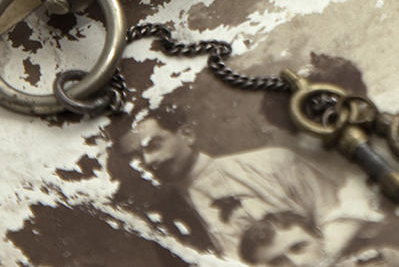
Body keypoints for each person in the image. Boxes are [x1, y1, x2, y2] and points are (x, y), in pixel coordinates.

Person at [120, 109, 381, 263]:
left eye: (153, 145)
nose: (148, 161)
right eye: (135, 157)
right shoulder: (165, 218)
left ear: (186, 134)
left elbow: (344, 215)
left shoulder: (273, 162)